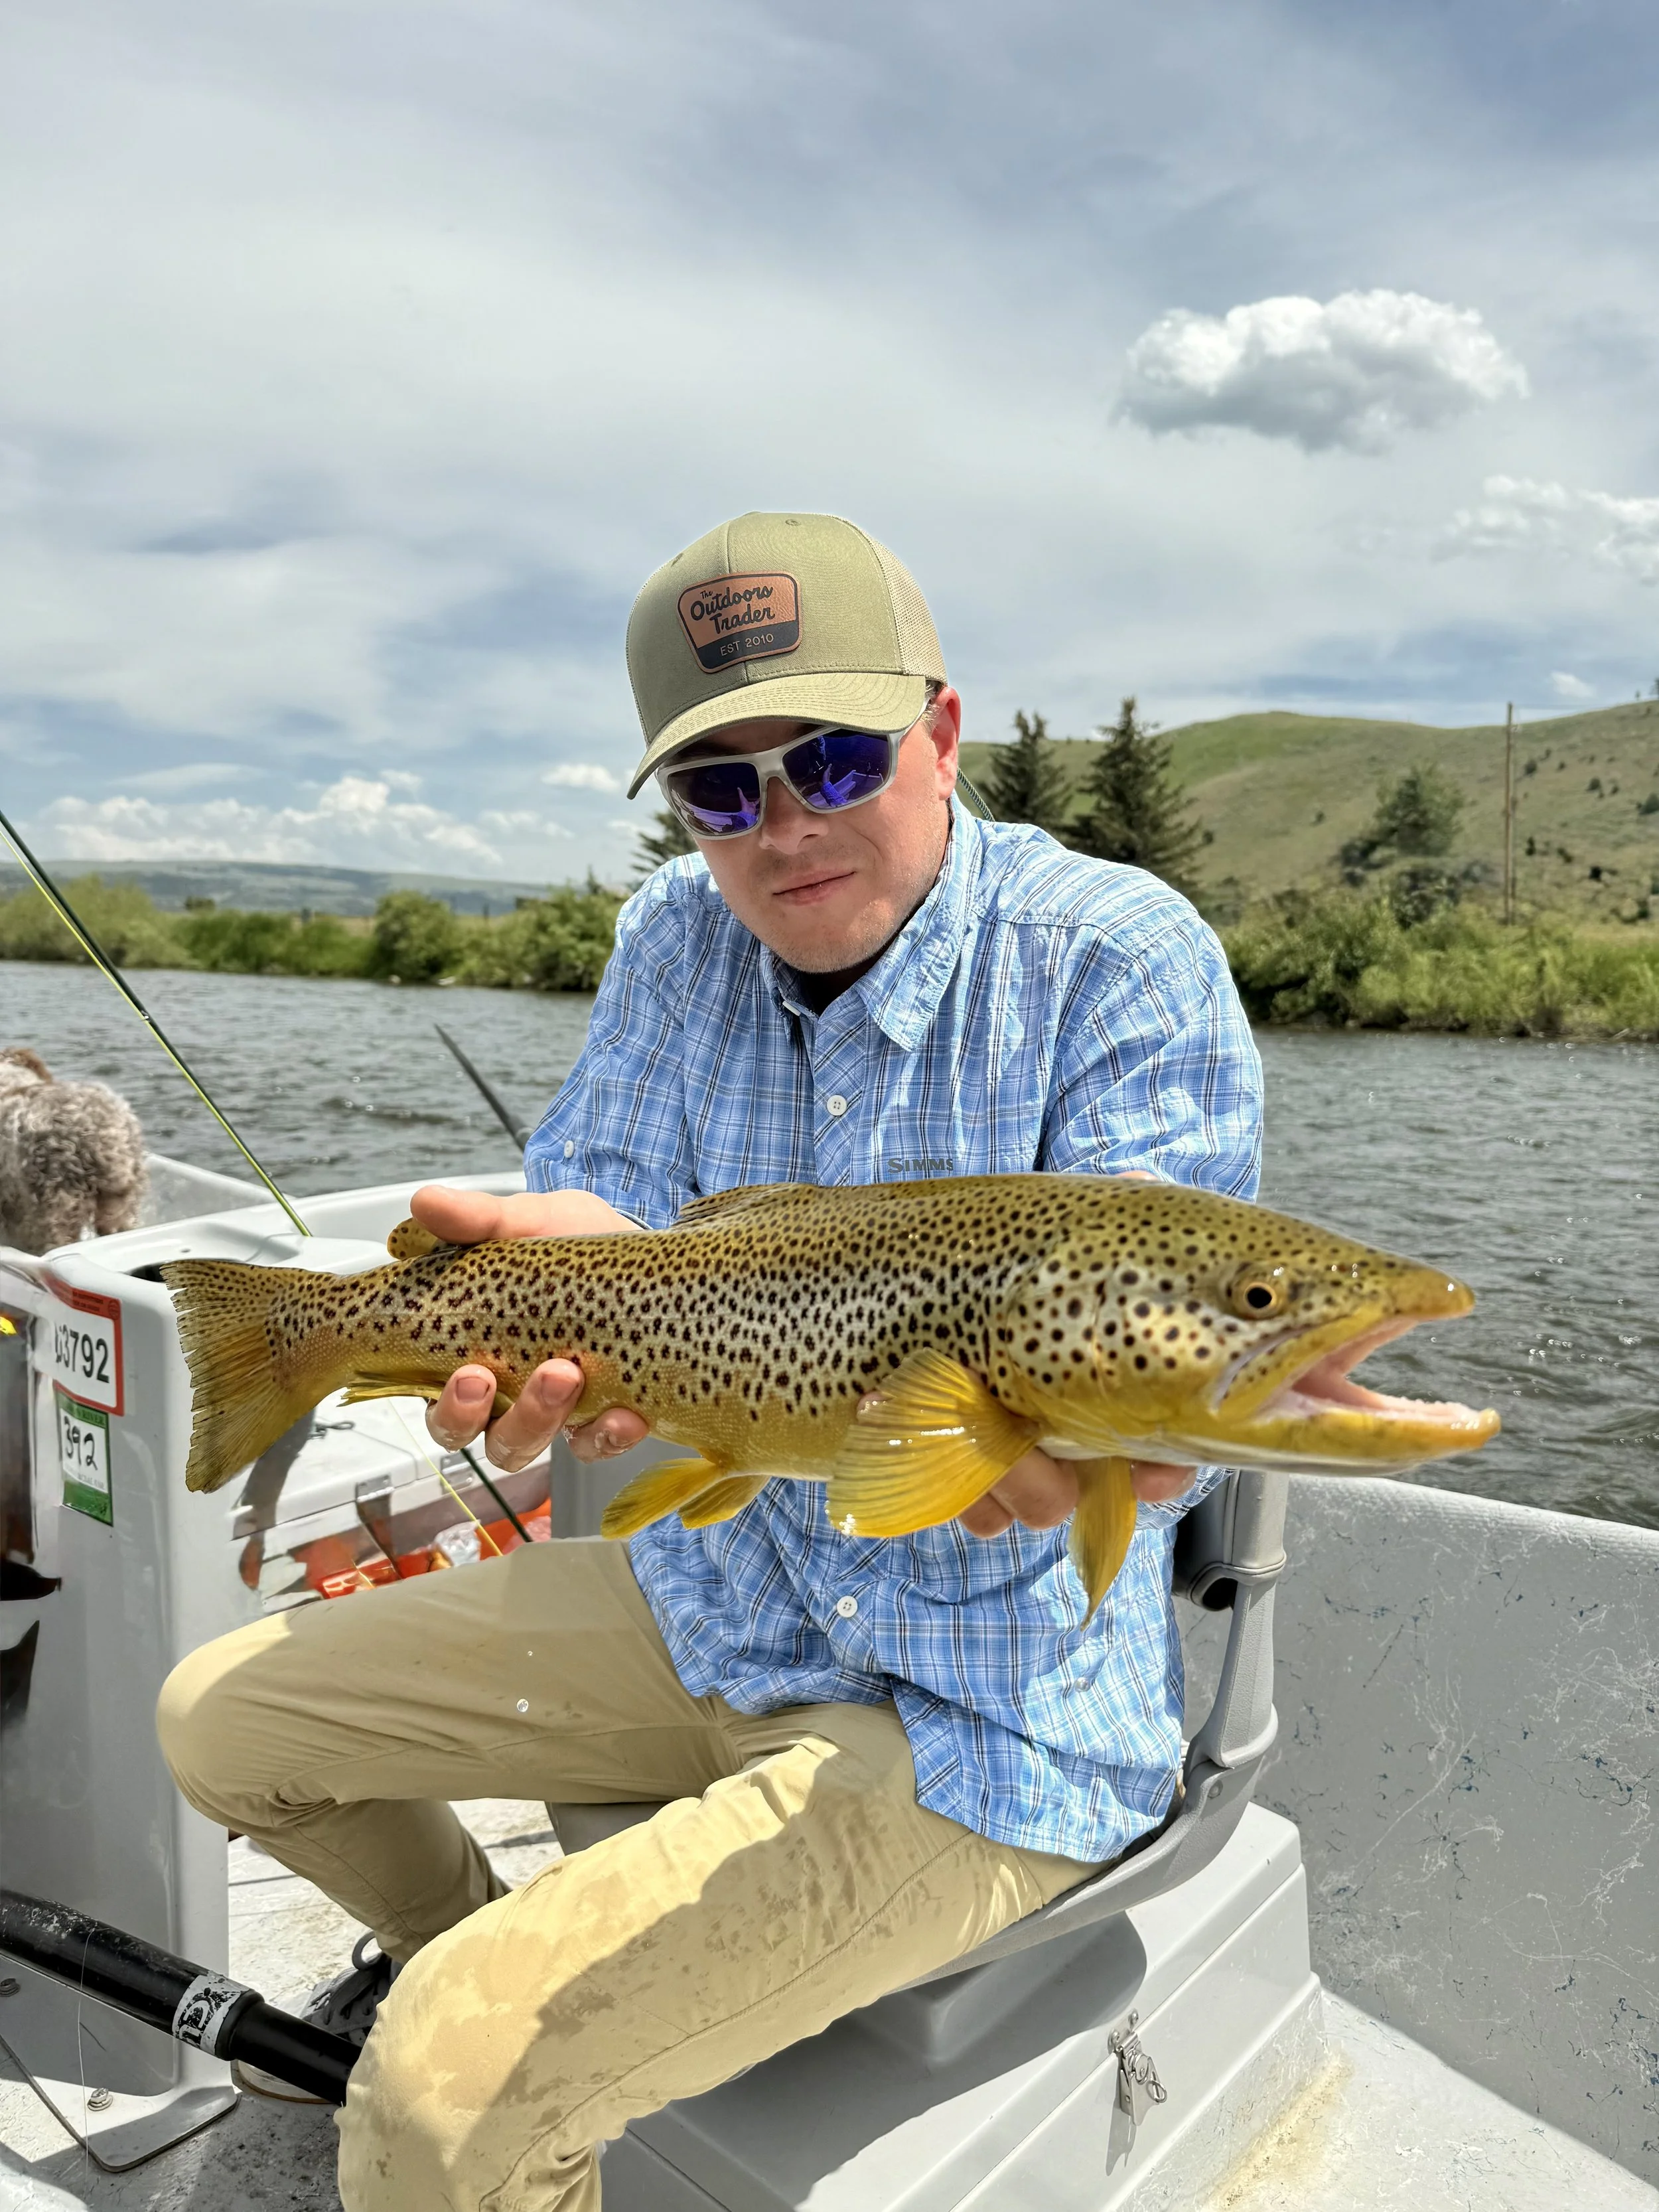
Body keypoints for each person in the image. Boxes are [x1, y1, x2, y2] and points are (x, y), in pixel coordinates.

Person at [158, 512, 1262, 2211]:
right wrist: (520, 1289)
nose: (783, 829)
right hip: (714, 1605)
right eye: (721, 789)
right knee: (222, 1725)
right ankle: (485, 1968)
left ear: (941, 732)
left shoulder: (1114, 956)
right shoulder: (675, 932)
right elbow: (608, 1216)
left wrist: (1090, 1442)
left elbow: (1150, 1331)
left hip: (984, 1711)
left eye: (829, 756)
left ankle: (489, 2051)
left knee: (445, 2105)